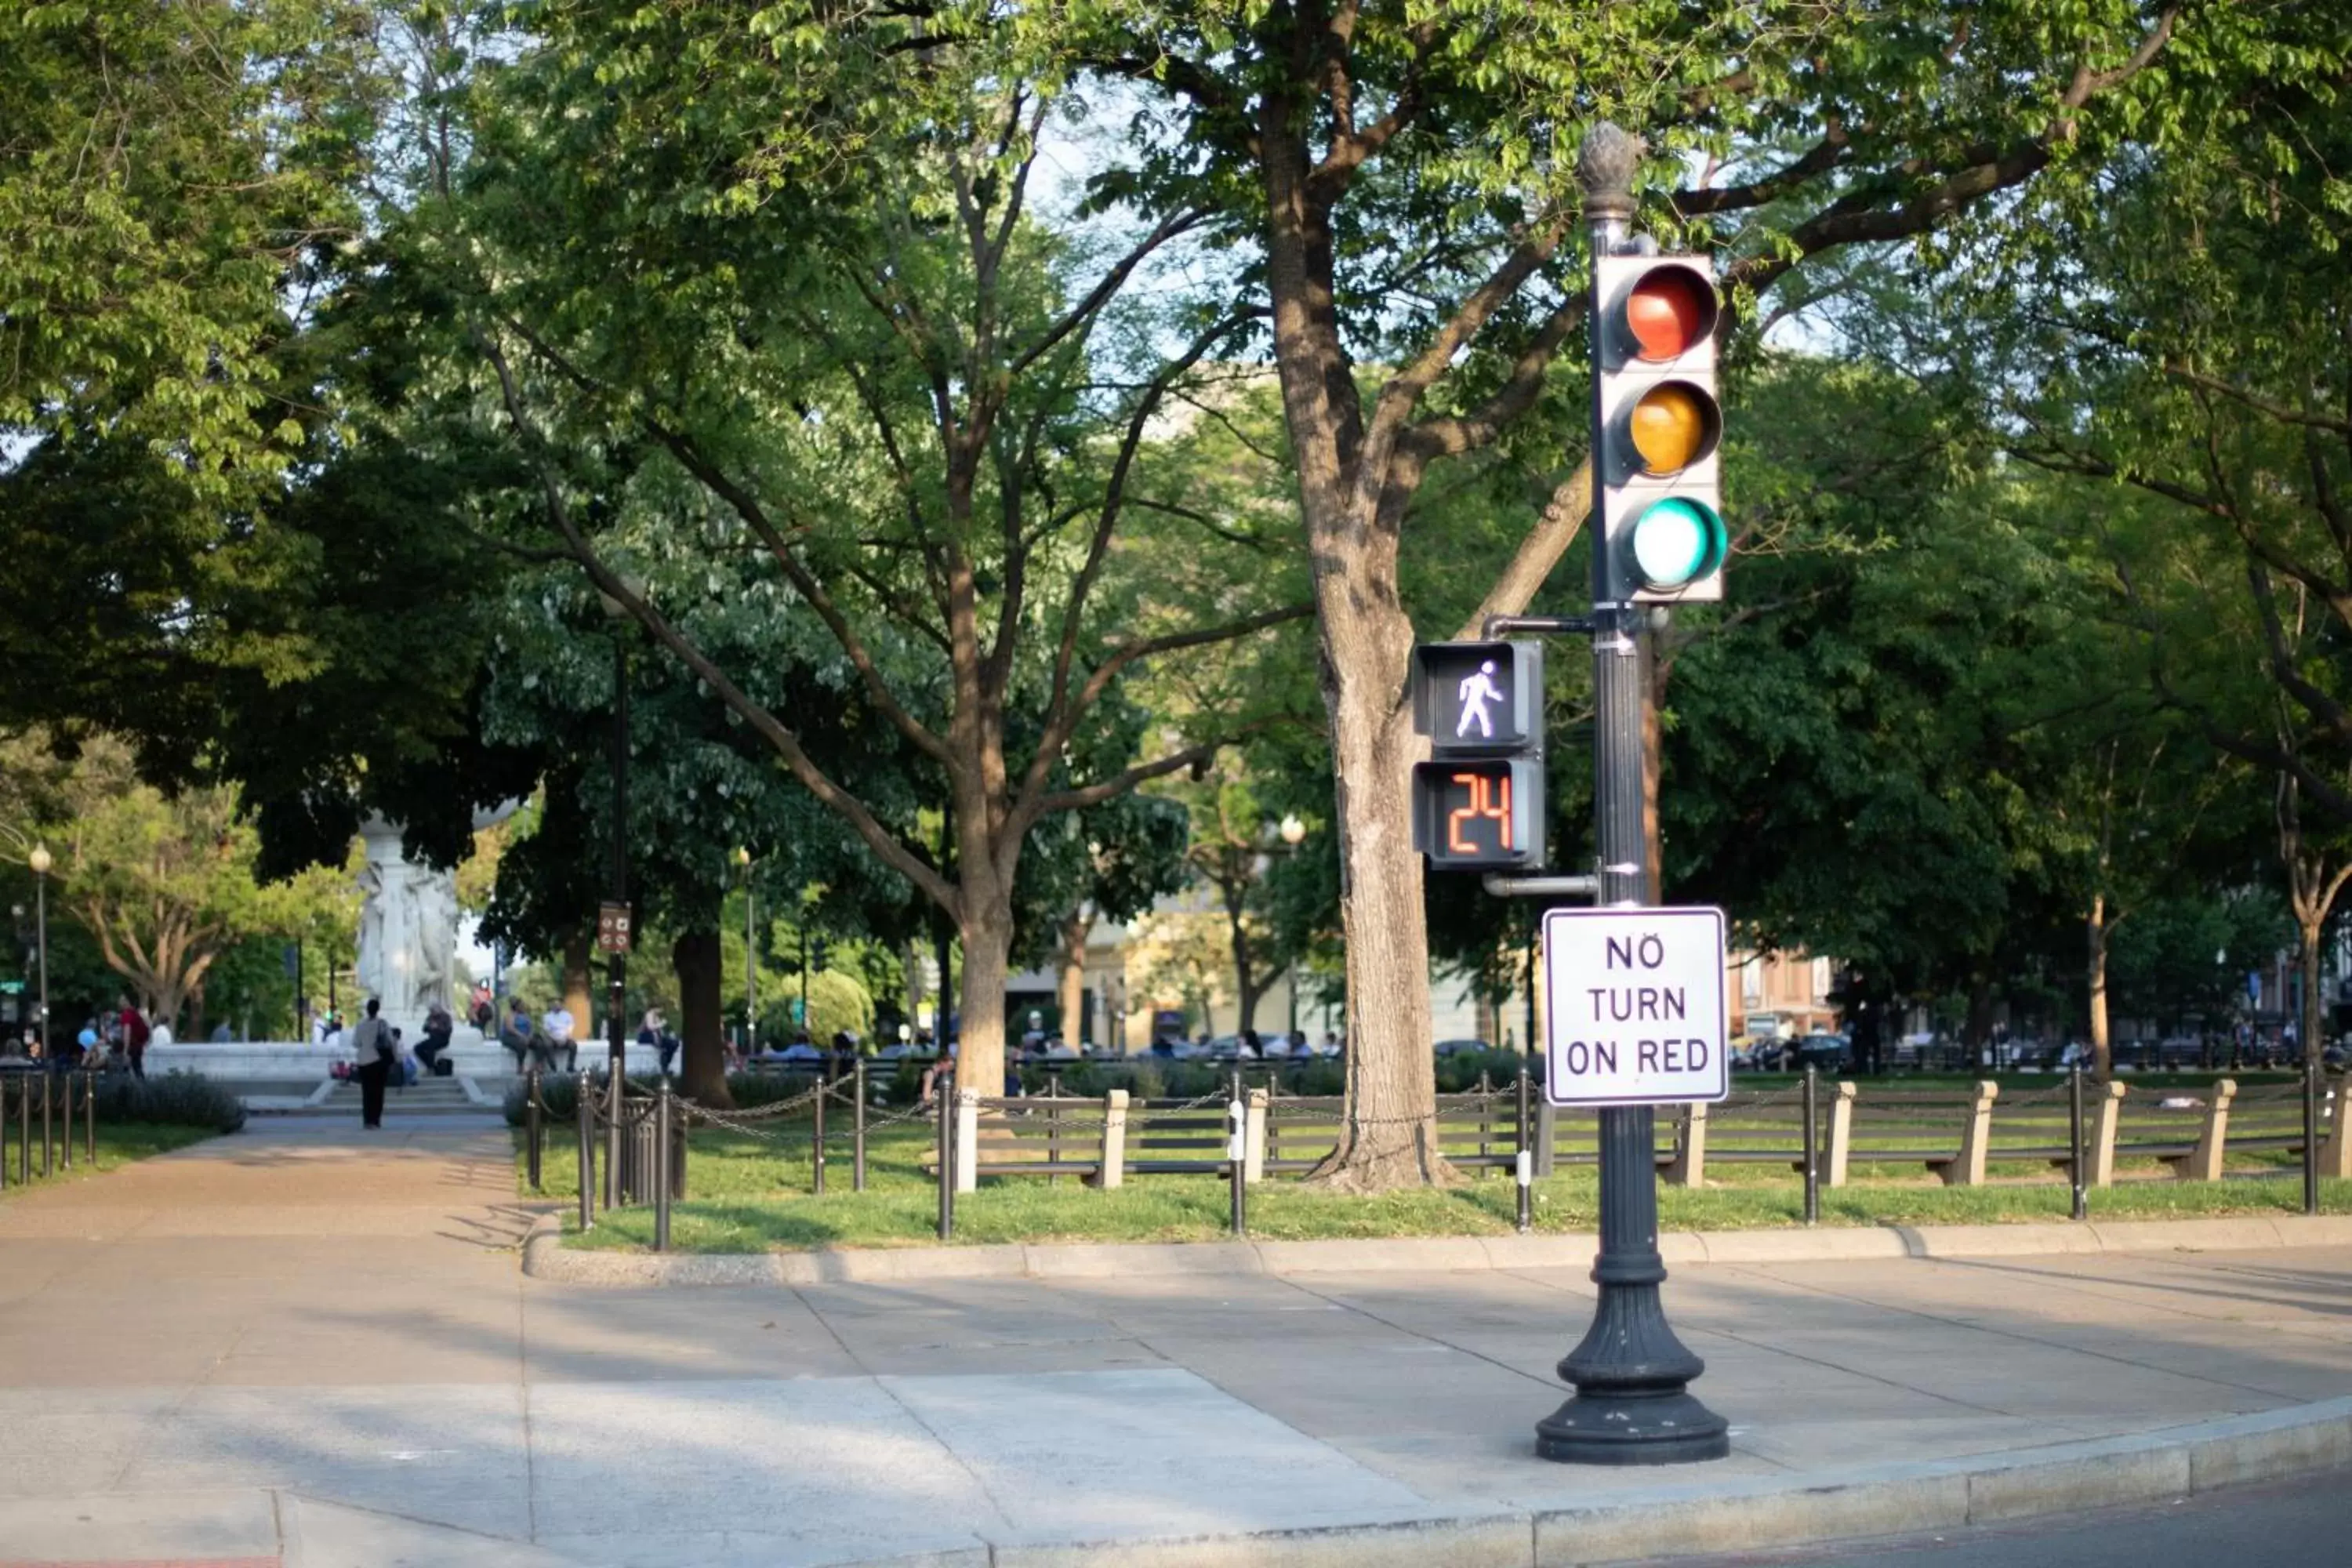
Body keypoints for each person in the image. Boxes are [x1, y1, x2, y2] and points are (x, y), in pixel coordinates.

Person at [350, 998, 393, 1129]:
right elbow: (389, 1041)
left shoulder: (360, 1025)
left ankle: (367, 1119)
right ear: (378, 1009)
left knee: (366, 1092)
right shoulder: (382, 1024)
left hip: (363, 1060)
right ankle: (376, 1119)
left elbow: (355, 1043)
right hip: (378, 1060)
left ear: (367, 1009)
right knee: (378, 1092)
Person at [117, 996, 151, 1080]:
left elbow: (127, 1032)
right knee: (137, 1067)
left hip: (132, 1045)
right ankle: (141, 1087)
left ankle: (131, 1088)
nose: (119, 1003)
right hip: (139, 1044)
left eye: (121, 1001)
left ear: (126, 1002)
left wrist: (125, 1050)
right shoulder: (135, 1013)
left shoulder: (127, 1014)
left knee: (131, 1067)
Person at [415, 1004, 453, 1077]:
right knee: (417, 1048)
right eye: (431, 1011)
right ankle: (432, 1066)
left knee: (431, 1047)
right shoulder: (430, 1017)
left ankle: (430, 1069)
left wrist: (437, 1027)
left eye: (433, 1011)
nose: (432, 1013)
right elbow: (424, 1029)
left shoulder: (446, 1017)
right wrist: (428, 1026)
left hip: (443, 1039)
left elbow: (448, 1030)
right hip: (432, 1039)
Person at [499, 996, 534, 1073]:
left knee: (539, 1043)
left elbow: (531, 1027)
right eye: (521, 1005)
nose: (523, 1007)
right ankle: (521, 1066)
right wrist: (522, 1036)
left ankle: (539, 1065)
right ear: (517, 1006)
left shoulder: (526, 1016)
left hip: (525, 1036)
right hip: (510, 1036)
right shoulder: (510, 1015)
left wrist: (529, 1036)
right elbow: (510, 1028)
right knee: (522, 1044)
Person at [541, 1001, 577, 1073]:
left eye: (558, 1004)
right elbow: (547, 1031)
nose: (557, 1006)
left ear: (561, 1005)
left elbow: (570, 1027)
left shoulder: (568, 1015)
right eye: (554, 1004)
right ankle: (553, 1067)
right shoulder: (547, 1017)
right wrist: (556, 1039)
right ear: (551, 1006)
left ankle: (570, 1066)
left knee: (573, 1045)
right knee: (547, 1045)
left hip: (565, 1037)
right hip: (553, 1038)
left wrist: (566, 1037)